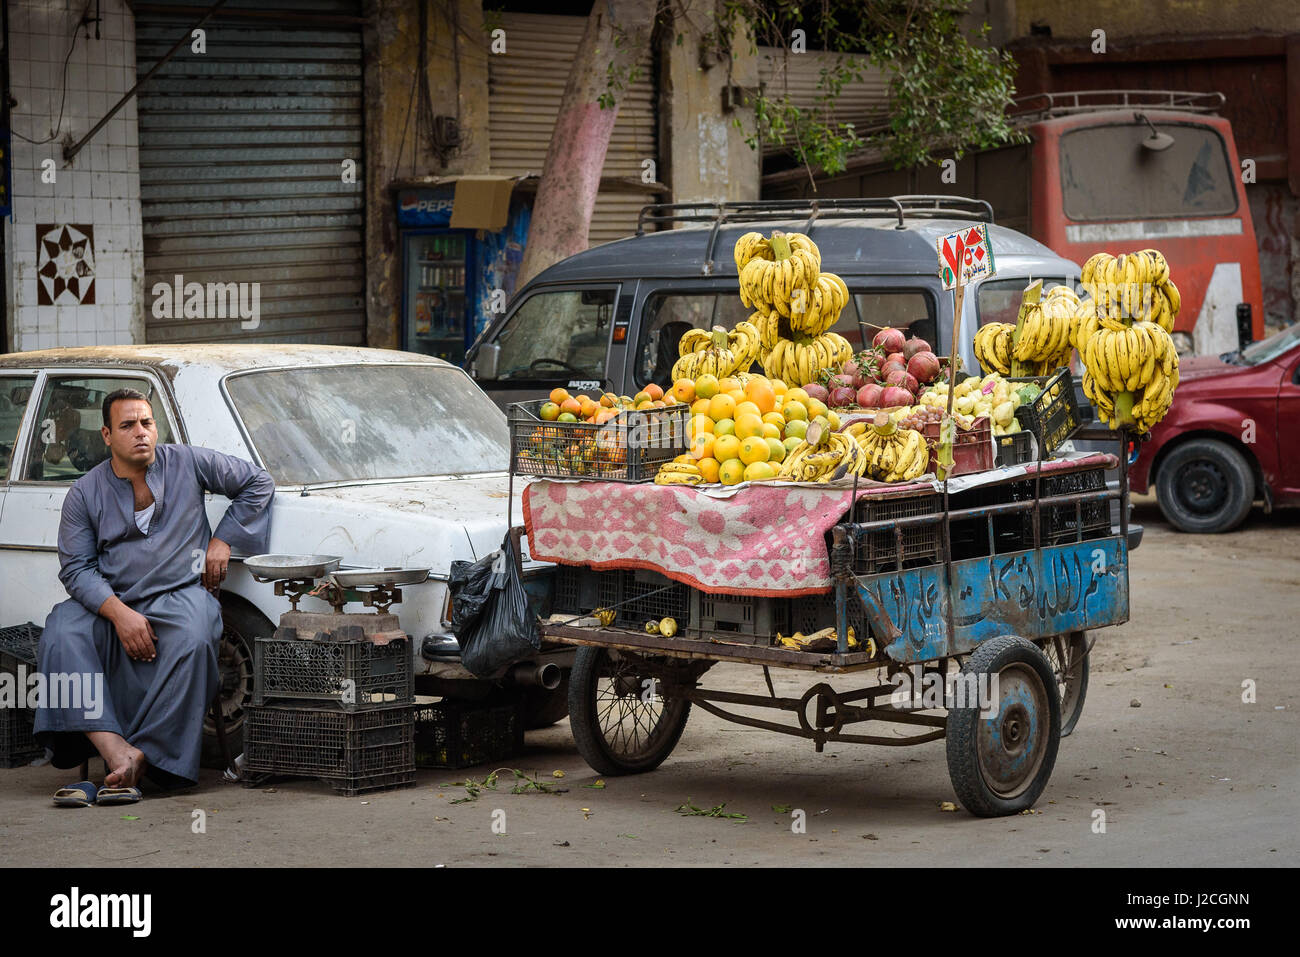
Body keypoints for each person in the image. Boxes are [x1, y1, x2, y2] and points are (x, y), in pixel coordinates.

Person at [36, 388, 274, 806]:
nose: (141, 432)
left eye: (147, 422)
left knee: (194, 637)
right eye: (128, 425)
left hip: (179, 594)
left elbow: (257, 482)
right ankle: (116, 751)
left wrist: (223, 538)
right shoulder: (84, 493)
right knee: (61, 630)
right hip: (112, 600)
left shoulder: (188, 461)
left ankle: (146, 755)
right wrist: (119, 615)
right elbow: (76, 569)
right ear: (107, 435)